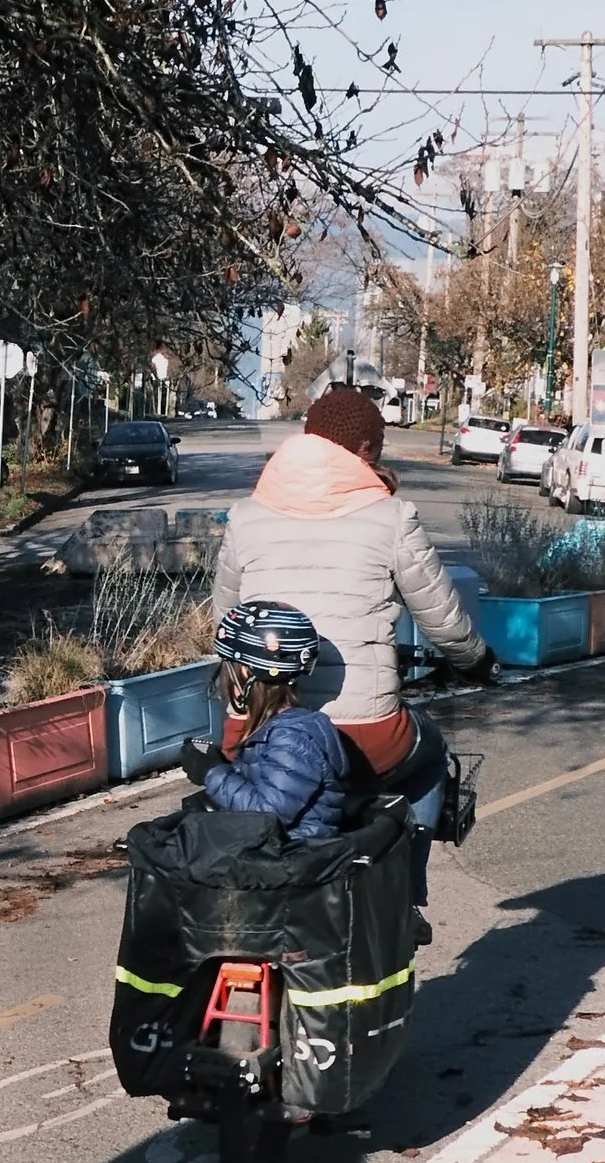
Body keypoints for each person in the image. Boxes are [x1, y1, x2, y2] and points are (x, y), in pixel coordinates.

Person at [209, 381, 494, 915]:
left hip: (252, 733)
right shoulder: (391, 517)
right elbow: (443, 620)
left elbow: (221, 620)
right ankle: (405, 898)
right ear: (365, 451)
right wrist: (475, 660)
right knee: (431, 756)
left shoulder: (246, 516)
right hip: (368, 738)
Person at [186, 602, 354, 842]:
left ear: (245, 671)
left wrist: (211, 773)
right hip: (276, 851)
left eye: (228, 667)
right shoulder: (277, 728)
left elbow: (268, 814)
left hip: (292, 858)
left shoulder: (292, 736)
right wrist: (219, 764)